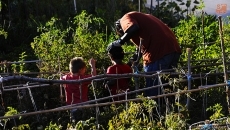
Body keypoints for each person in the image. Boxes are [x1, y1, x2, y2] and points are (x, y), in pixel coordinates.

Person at [109, 11, 181, 97]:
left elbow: (133, 27)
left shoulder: (125, 19)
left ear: (120, 28)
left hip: (157, 52)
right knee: (168, 86)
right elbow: (140, 49)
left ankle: (155, 109)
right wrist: (129, 64)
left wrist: (119, 41)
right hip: (173, 49)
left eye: (123, 33)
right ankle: (168, 108)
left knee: (153, 89)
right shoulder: (144, 18)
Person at [61, 57, 96, 122]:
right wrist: (92, 65)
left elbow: (61, 78)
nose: (85, 71)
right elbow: (94, 76)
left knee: (74, 123)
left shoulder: (66, 78)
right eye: (84, 69)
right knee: (85, 122)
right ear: (80, 70)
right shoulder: (83, 79)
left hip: (71, 107)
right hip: (83, 105)